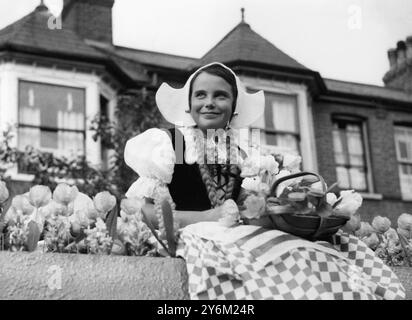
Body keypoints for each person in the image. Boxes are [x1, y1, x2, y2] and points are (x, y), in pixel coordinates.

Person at [124, 62, 405, 300]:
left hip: (242, 236)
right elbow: (145, 212)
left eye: (220, 96)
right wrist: (206, 217)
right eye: (200, 95)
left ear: (234, 106)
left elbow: (252, 204)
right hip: (194, 236)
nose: (209, 102)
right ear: (189, 105)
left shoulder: (246, 151)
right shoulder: (169, 144)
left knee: (311, 251)